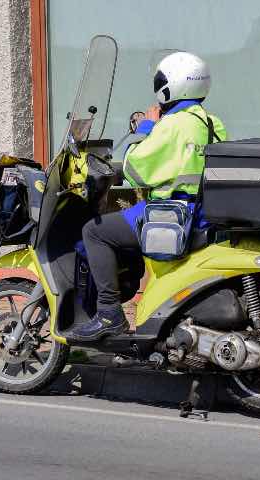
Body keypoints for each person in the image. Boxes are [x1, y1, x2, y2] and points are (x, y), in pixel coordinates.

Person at [71, 51, 227, 341]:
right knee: (122, 226)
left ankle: (108, 313)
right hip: (201, 212)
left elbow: (134, 168)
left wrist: (146, 128)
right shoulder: (212, 123)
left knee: (94, 232)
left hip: (169, 214)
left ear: (173, 86)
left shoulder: (172, 124)